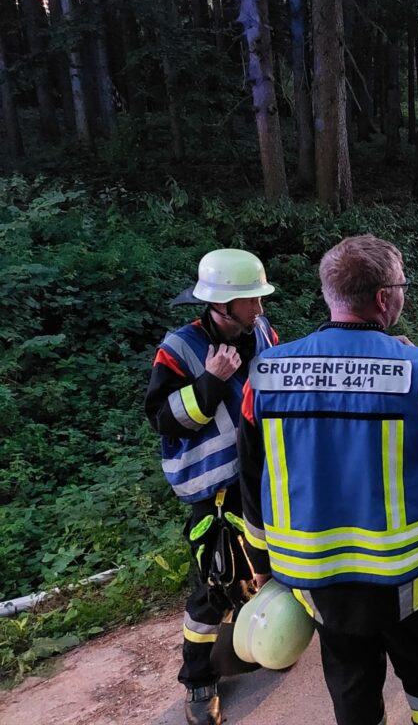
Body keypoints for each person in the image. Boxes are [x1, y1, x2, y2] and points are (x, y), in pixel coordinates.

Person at [239, 235, 418, 725]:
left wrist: (262, 566)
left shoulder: (265, 373)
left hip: (317, 581)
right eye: (402, 287)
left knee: (352, 696)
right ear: (382, 298)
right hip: (406, 581)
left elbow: (251, 475)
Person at [145, 248, 278, 725]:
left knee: (272, 567)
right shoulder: (179, 348)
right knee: (214, 585)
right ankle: (199, 680)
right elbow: (163, 420)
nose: (259, 308)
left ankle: (263, 639)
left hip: (264, 477)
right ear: (221, 304)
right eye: (250, 300)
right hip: (217, 491)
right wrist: (210, 382)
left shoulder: (261, 330)